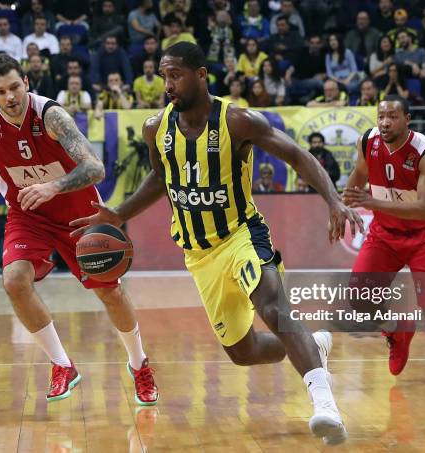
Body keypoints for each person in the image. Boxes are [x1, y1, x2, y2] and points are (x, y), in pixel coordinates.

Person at [70, 42, 363, 445]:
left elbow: (296, 155)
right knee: (242, 352)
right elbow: (160, 177)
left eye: (175, 75)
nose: (168, 84)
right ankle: (312, 346)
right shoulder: (156, 128)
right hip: (199, 253)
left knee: (275, 309)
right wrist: (120, 213)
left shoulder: (236, 120)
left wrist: (332, 199)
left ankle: (325, 405)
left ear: (201, 74)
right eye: (163, 76)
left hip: (243, 234)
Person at [0, 54, 158, 405]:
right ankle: (62, 365)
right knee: (14, 281)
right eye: (1, 91)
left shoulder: (51, 115)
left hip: (78, 214)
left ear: (27, 84)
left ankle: (139, 364)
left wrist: (54, 186)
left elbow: (95, 169)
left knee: (109, 293)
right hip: (27, 214)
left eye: (15, 87)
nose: (10, 97)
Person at [342, 95, 425, 384]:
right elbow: (359, 175)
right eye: (381, 116)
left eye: (393, 116)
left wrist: (372, 204)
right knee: (359, 298)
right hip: (385, 235)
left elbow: (424, 210)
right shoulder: (368, 141)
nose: (385, 122)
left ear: (407, 119)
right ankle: (398, 329)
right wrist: (340, 209)